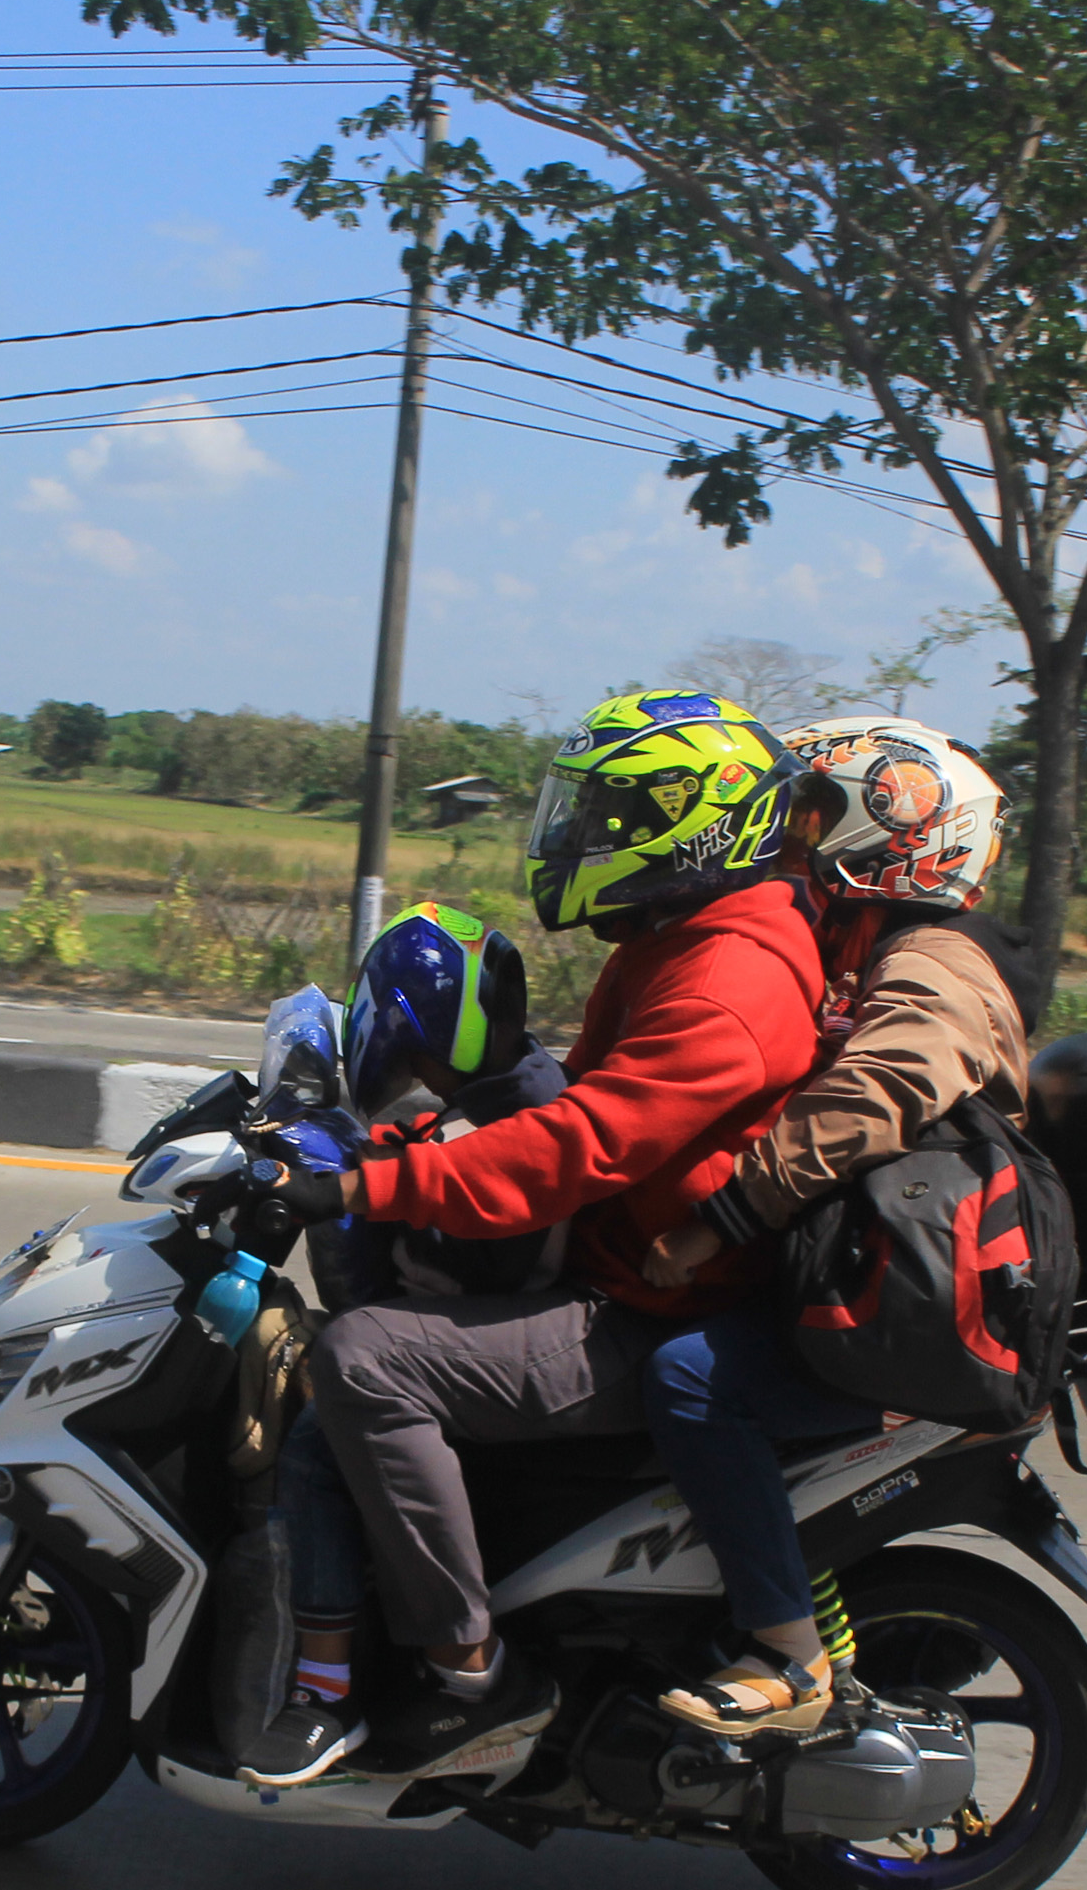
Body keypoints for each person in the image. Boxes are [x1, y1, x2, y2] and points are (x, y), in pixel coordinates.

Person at [253, 690, 829, 1781]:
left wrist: (371, 1186)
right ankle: (345, 1657)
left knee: (363, 1356)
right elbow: (583, 1105)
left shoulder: (728, 979)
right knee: (365, 1365)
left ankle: (471, 1671)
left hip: (646, 1310)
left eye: (610, 818)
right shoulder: (682, 938)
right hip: (629, 1276)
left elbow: (582, 1145)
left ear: (694, 822)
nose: (581, 840)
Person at [631, 718, 1024, 1735]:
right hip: (864, 1273)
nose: (793, 841)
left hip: (912, 1308)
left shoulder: (935, 962)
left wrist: (718, 1221)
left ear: (899, 835)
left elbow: (877, 1090)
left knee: (691, 1378)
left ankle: (786, 1654)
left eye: (815, 818)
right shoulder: (864, 952)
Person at [246, 903, 566, 1784]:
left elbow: (399, 1273)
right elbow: (429, 1150)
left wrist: (338, 1187)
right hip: (533, 1317)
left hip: (518, 1327)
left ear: (417, 1035)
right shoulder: (530, 1083)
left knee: (322, 1430)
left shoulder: (502, 1129)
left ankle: (326, 1692)